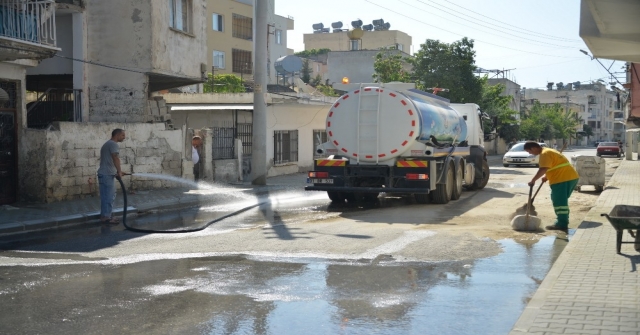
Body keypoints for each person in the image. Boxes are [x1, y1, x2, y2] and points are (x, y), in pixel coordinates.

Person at [524, 141, 579, 232]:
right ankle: (561, 221)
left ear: (533, 148)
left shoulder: (544, 154)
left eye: (529, 151)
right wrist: (547, 176)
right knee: (560, 201)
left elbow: (543, 169)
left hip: (562, 179)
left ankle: (562, 224)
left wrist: (533, 180)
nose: (530, 153)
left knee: (559, 202)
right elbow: (553, 165)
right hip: (568, 178)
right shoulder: (548, 151)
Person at [97, 129, 126, 224]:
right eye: (122, 135)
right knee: (108, 197)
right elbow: (115, 158)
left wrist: (118, 171)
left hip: (106, 174)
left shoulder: (108, 144)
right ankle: (106, 217)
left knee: (107, 196)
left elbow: (109, 161)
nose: (124, 137)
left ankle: (106, 215)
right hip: (106, 175)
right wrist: (119, 171)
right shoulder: (113, 144)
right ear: (117, 135)